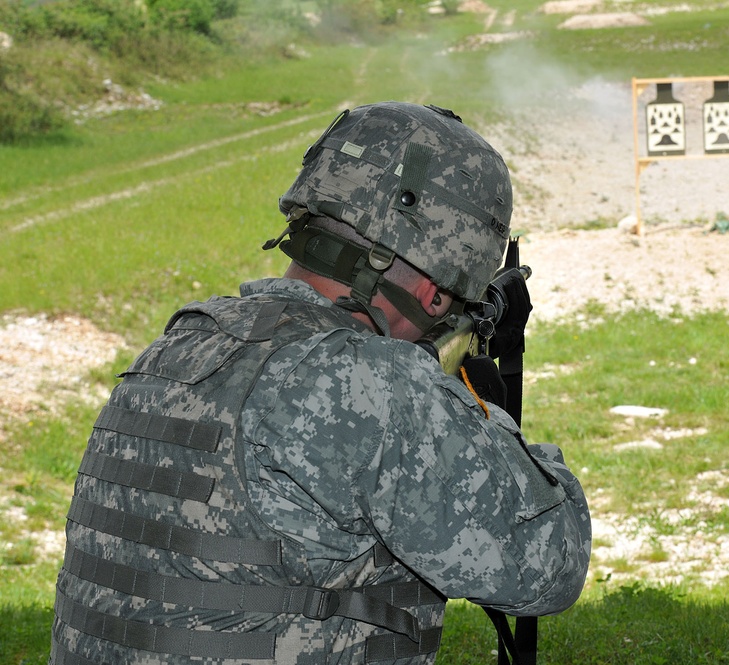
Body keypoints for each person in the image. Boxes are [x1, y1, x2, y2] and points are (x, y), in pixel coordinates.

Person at [49, 101, 591, 664]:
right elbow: (551, 566)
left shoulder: (173, 349)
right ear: (436, 292)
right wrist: (469, 408)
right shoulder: (369, 382)